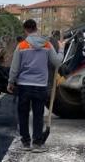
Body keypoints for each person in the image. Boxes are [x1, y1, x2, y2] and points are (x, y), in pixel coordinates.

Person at [7, 19, 63, 153]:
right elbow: (57, 62)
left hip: (24, 85)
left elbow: (14, 68)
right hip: (40, 86)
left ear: (25, 30)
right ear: (36, 28)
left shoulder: (21, 46)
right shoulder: (47, 44)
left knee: (23, 114)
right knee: (38, 114)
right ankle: (37, 144)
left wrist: (10, 82)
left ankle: (25, 143)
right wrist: (61, 49)